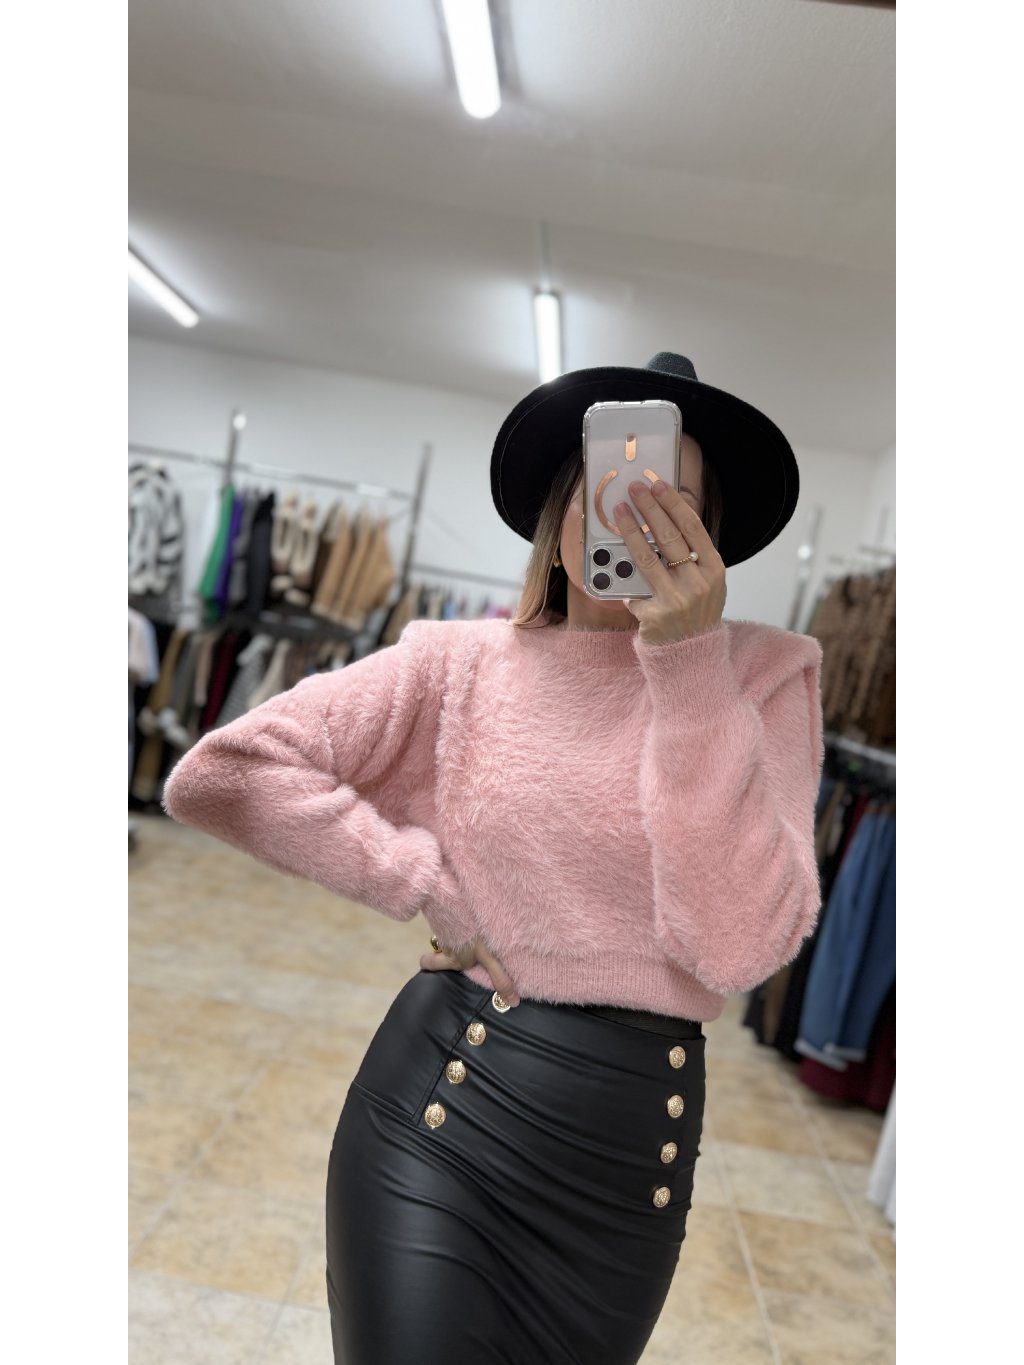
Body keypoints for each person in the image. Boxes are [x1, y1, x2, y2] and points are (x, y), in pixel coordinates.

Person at [162, 352, 825, 1365]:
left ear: (711, 537)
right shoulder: (459, 663)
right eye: (613, 483)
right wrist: (420, 882)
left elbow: (736, 948)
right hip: (443, 1111)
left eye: (672, 502)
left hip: (624, 1168)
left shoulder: (766, 676)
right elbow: (227, 771)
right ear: (561, 510)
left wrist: (690, 667)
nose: (636, 516)